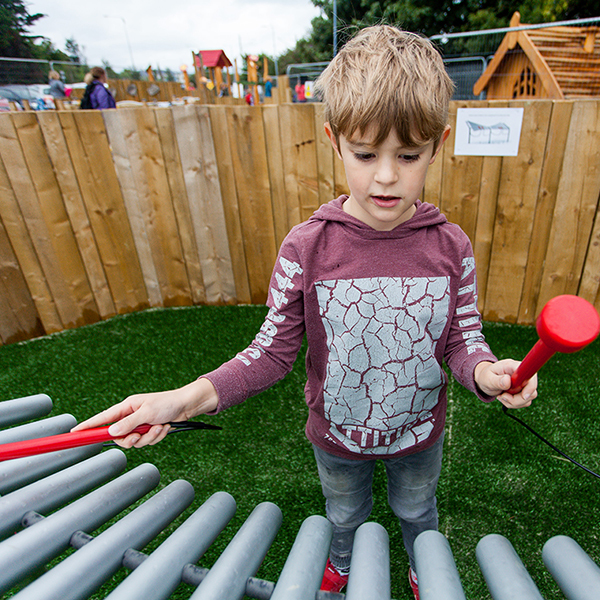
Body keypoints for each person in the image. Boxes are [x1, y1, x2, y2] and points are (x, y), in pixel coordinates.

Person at [74, 25, 537, 600]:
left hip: (421, 435)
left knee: (418, 510)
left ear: (437, 145)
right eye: (366, 154)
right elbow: (270, 352)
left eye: (409, 155)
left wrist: (488, 373)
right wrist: (180, 400)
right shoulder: (306, 247)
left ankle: (424, 567)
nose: (387, 175)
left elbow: (462, 341)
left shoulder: (452, 247)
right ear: (334, 140)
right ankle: (340, 561)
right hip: (335, 438)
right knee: (343, 515)